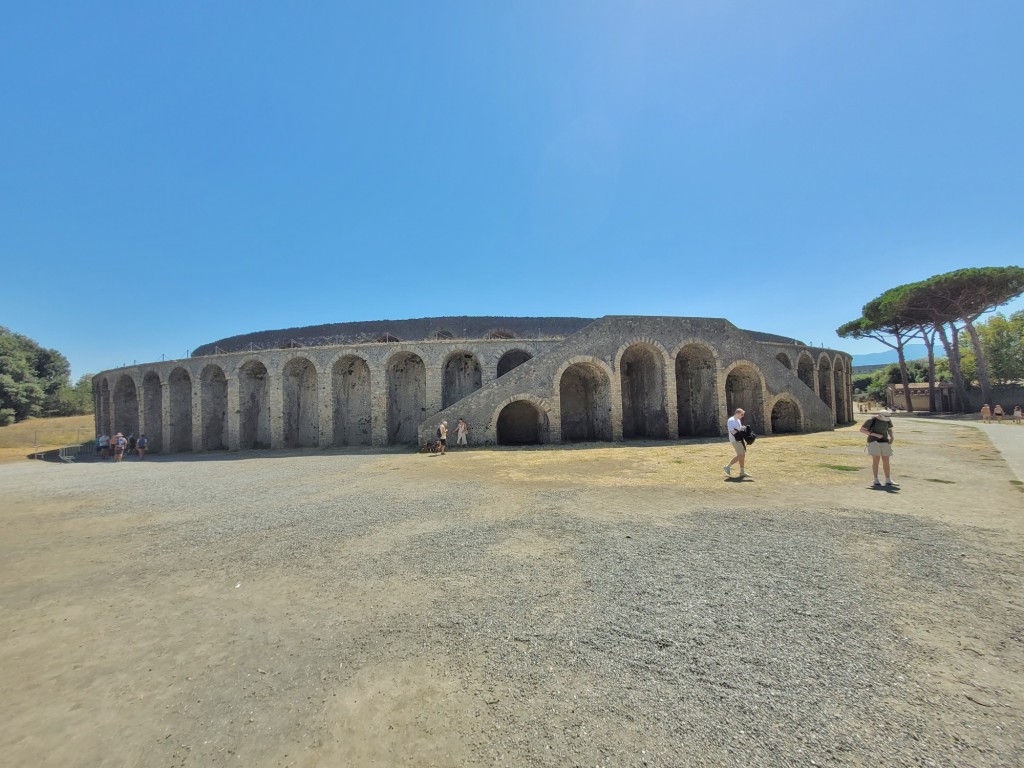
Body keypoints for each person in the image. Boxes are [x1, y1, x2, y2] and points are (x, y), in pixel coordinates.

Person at [860, 410, 897, 488]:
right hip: (873, 441)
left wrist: (892, 438)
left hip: (884, 441)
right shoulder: (871, 420)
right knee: (876, 459)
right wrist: (875, 434)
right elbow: (862, 430)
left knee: (886, 460)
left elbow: (889, 429)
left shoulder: (888, 420)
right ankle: (875, 479)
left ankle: (888, 479)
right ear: (880, 415)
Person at [723, 408, 750, 478]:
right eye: (742, 414)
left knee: (743, 455)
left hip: (739, 439)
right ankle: (727, 467)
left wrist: (743, 428)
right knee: (741, 455)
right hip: (735, 440)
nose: (743, 416)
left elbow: (739, 428)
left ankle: (742, 472)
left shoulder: (738, 420)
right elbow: (731, 430)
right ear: (737, 413)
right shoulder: (731, 420)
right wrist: (739, 434)